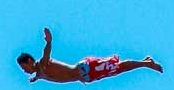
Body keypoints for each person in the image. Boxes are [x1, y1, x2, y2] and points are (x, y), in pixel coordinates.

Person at [17, 28, 162, 85]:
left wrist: (49, 41)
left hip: (86, 69)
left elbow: (46, 53)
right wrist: (35, 78)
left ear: (30, 61)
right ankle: (144, 62)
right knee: (119, 70)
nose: (25, 71)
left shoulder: (42, 64)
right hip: (87, 77)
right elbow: (39, 75)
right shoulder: (38, 73)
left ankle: (146, 63)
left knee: (118, 66)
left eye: (24, 68)